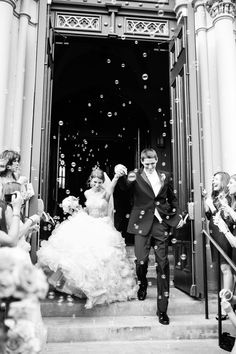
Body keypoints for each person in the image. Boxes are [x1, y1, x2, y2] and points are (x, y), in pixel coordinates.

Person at [37, 167, 137, 309]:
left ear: (103, 182)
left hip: (102, 226)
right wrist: (76, 208)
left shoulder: (106, 192)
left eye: (100, 182)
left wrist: (117, 175)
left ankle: (98, 293)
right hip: (88, 223)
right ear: (91, 181)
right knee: (84, 260)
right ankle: (85, 291)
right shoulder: (86, 193)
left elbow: (113, 183)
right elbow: (88, 210)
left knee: (101, 261)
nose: (97, 185)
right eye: (95, 182)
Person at [115, 148, 184, 325]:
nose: (151, 166)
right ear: (142, 162)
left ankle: (162, 310)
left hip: (160, 224)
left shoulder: (165, 175)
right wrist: (119, 174)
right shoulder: (134, 175)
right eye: (147, 163)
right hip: (141, 223)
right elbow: (124, 188)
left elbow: (172, 198)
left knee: (163, 264)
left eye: (153, 162)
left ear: (156, 160)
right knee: (141, 261)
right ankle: (143, 283)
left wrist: (178, 217)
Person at [203, 172, 234, 320]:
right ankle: (227, 301)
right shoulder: (215, 197)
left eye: (216, 179)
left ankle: (226, 305)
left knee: (226, 268)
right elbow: (209, 216)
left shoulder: (228, 198)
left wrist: (213, 208)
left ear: (224, 181)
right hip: (215, 234)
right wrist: (206, 203)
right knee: (223, 269)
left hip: (224, 235)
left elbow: (225, 219)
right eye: (212, 178)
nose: (213, 181)